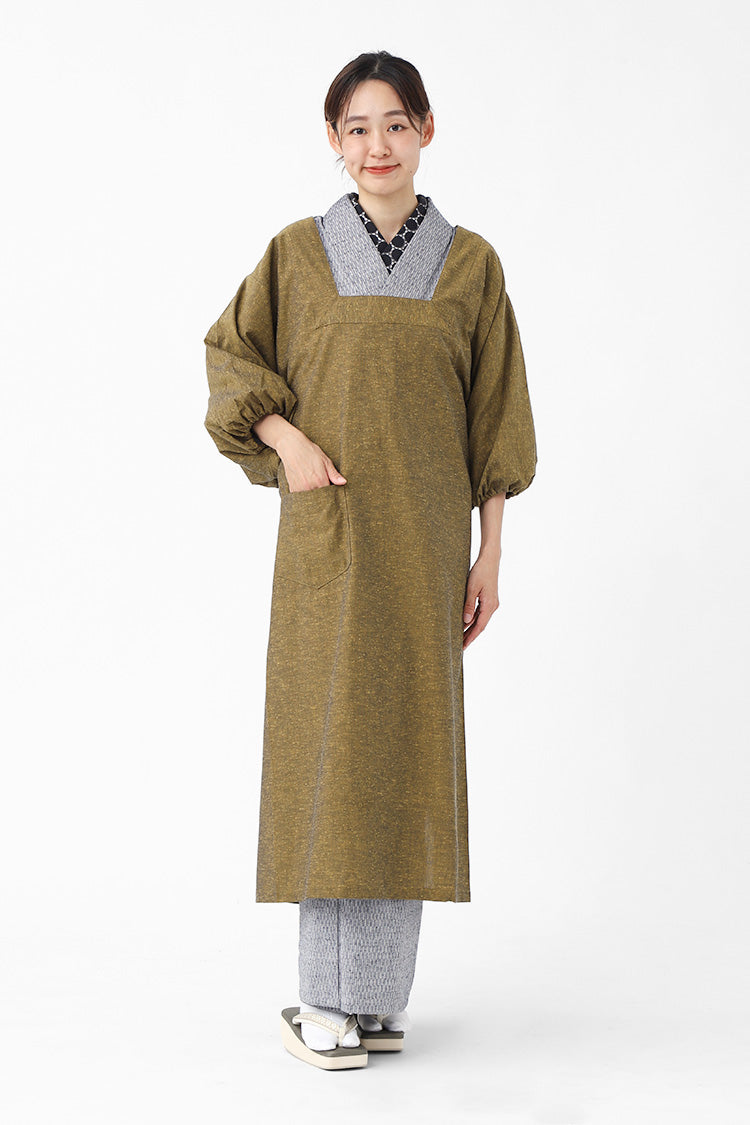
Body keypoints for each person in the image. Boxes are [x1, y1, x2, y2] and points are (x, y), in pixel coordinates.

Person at [203, 50, 538, 1071]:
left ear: (426, 131)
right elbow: (231, 357)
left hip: (427, 550)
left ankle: (376, 1002)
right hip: (330, 548)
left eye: (395, 124)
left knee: (404, 761)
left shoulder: (471, 266)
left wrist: (488, 555)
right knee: (330, 756)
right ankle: (324, 1000)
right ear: (334, 141)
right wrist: (289, 442)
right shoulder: (296, 256)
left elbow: (496, 421)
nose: (377, 145)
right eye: (357, 128)